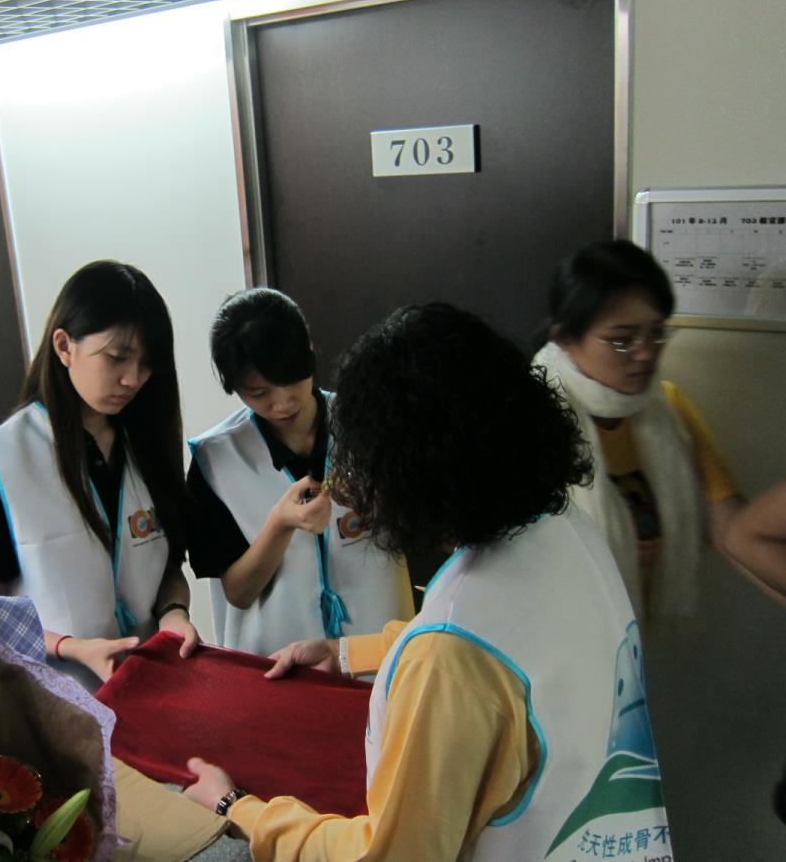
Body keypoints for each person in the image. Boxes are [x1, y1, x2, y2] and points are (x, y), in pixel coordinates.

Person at [184, 303, 674, 860]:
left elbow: (388, 853)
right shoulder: (567, 531)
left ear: (407, 469)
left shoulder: (448, 655)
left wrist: (239, 808)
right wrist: (347, 654)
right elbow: (512, 658)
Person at [0, 260, 198, 687]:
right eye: (117, 358)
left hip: (147, 683)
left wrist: (174, 613)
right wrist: (71, 647)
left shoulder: (145, 443)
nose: (133, 379)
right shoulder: (5, 458)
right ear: (64, 346)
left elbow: (168, 568)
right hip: (54, 695)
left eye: (147, 363)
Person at [186, 288, 412, 656]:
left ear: (308, 346)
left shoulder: (369, 423)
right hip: (278, 663)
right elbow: (238, 594)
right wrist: (279, 525)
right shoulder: (215, 459)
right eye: (258, 393)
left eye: (290, 379)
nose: (282, 403)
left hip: (380, 656)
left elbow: (427, 528)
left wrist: (383, 505)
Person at [533, 239, 743, 620]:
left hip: (644, 636)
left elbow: (731, 528)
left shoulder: (669, 410)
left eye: (656, 333)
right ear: (565, 341)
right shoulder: (531, 419)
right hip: (555, 631)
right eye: (622, 340)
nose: (646, 353)